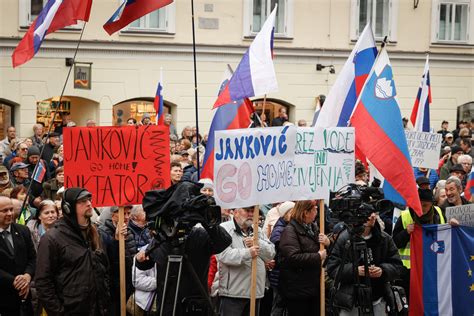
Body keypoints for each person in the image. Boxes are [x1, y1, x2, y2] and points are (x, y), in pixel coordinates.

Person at [35, 188, 110, 315]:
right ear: (68, 207)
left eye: (89, 200)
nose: (89, 204)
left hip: (98, 308)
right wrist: (59, 313)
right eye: (82, 201)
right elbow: (43, 283)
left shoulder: (95, 233)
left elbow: (104, 269)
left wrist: (105, 295)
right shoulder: (52, 238)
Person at [326, 210, 403, 315]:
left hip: (378, 298)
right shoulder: (345, 239)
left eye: (374, 213)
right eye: (367, 213)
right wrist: (355, 270)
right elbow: (332, 269)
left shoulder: (384, 238)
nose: (372, 216)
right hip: (351, 301)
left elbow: (397, 266)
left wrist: (383, 271)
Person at [217, 206, 275, 316]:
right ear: (235, 212)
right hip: (234, 293)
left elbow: (271, 253)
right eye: (247, 210)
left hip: (255, 292)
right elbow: (223, 255)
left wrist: (258, 244)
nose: (251, 214)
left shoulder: (257, 230)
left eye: (253, 211)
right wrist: (248, 253)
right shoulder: (224, 229)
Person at [392, 189, 446, 299]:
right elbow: (395, 243)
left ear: (432, 204)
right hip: (409, 270)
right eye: (419, 205)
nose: (422, 208)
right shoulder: (405, 215)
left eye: (426, 205)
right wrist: (406, 232)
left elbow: (446, 237)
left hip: (433, 267)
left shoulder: (439, 213)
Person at [277, 200, 329, 315]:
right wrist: (317, 256)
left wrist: (327, 242)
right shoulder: (290, 231)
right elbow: (292, 257)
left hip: (313, 285)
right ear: (306, 212)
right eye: (315, 208)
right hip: (298, 289)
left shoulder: (313, 227)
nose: (317, 211)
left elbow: (322, 249)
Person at [0, 196, 36, 316]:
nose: (10, 213)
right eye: (4, 211)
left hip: (25, 299)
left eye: (11, 209)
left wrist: (27, 276)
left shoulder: (23, 231)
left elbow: (33, 258)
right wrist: (17, 282)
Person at [98, 205, 137, 315]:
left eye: (128, 214)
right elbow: (106, 261)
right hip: (113, 287)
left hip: (128, 283)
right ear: (113, 215)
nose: (126, 217)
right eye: (122, 213)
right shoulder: (102, 233)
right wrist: (116, 240)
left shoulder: (129, 232)